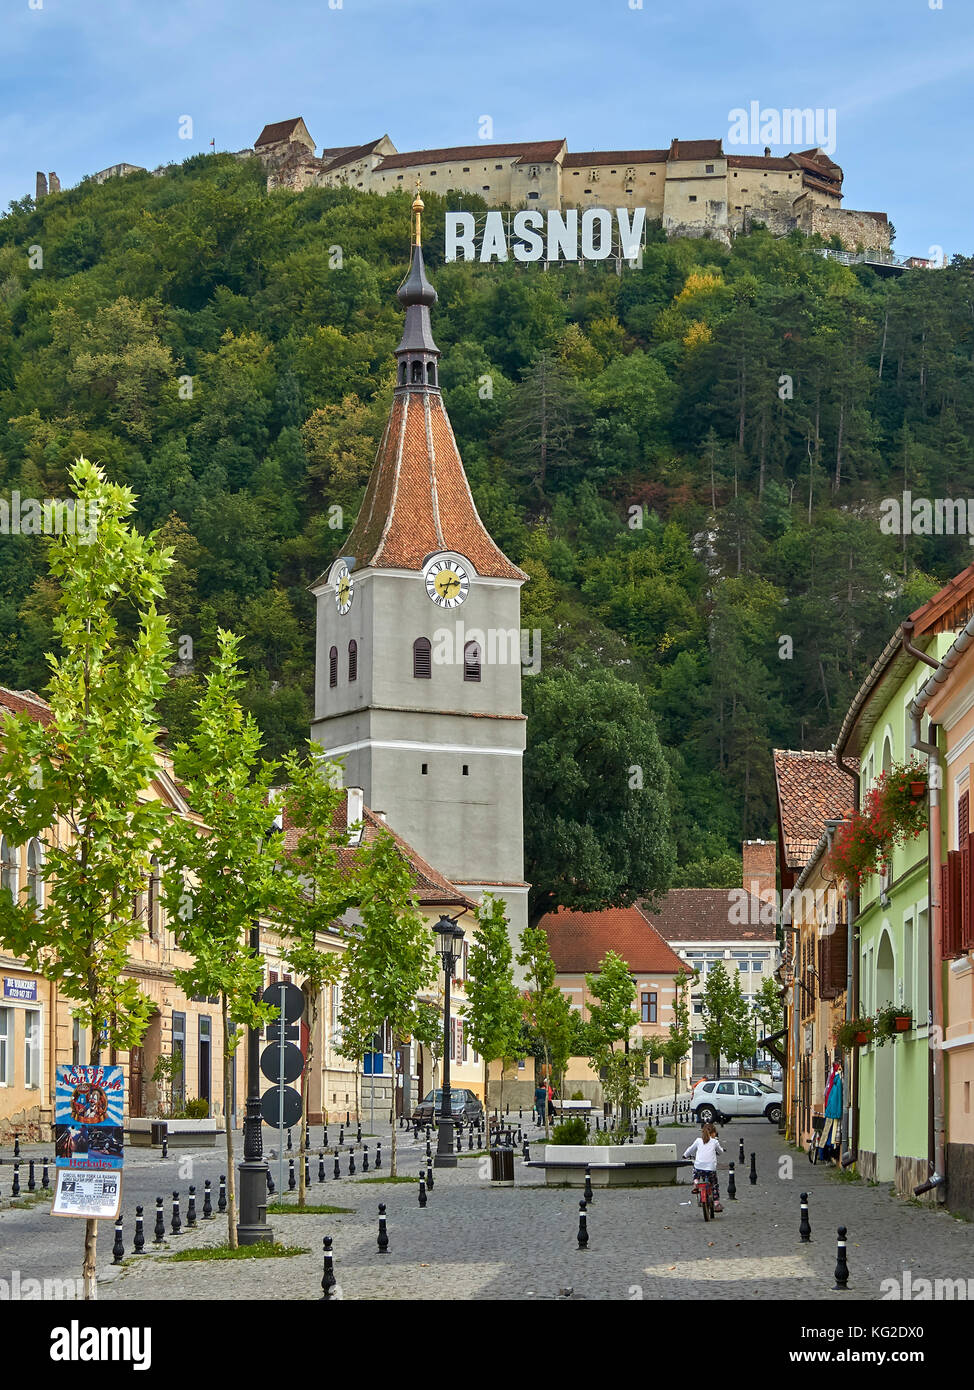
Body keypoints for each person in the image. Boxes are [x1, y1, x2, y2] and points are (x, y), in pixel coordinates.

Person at [683, 1122, 725, 1211]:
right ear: (713, 1133)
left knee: (695, 1169)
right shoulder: (715, 1142)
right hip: (711, 1169)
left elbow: (690, 1149)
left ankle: (696, 1182)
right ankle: (716, 1203)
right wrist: (720, 1151)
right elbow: (720, 1152)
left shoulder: (698, 1140)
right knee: (714, 1184)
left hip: (699, 1168)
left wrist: (685, 1155)